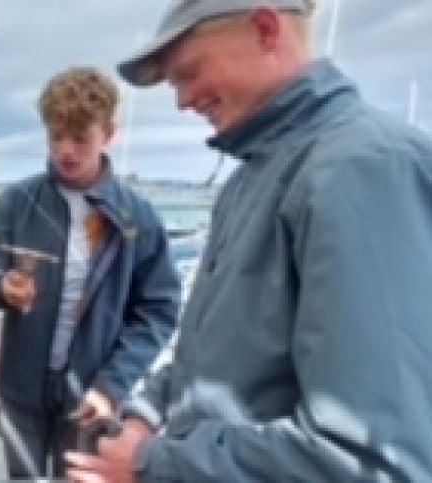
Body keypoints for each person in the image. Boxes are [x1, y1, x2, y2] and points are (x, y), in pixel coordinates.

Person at [66, 1, 432, 481]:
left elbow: (371, 457)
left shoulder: (364, 168)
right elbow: (211, 358)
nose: (182, 101)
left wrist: (153, 463)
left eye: (189, 72)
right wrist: (146, 414)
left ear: (265, 29)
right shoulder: (249, 181)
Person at [0, 66, 180, 479]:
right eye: (56, 136)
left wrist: (112, 385)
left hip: (93, 397)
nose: (66, 150)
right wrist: (0, 287)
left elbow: (157, 311)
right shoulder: (14, 203)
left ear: (109, 134)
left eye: (80, 137)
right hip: (21, 388)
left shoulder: (138, 219)